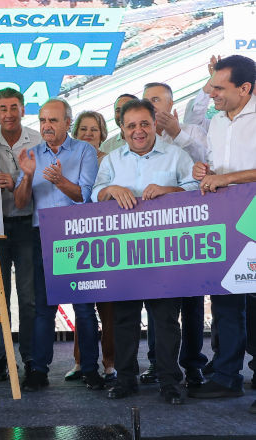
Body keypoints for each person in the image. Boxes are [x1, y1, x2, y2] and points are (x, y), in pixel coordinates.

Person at [92, 98, 198, 404]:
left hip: (166, 254)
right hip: (124, 255)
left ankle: (170, 382)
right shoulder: (112, 161)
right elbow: (94, 195)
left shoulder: (176, 156)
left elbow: (197, 191)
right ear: (122, 129)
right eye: (131, 126)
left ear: (154, 125)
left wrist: (169, 191)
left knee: (165, 321)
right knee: (123, 320)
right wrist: (111, 190)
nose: (138, 131)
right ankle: (126, 380)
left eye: (144, 124)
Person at [15, 98, 99, 392]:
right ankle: (38, 370)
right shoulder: (31, 155)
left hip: (77, 235)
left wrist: (60, 181)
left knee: (84, 308)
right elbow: (20, 203)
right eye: (42, 120)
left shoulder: (85, 151)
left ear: (67, 123)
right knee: (44, 308)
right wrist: (27, 176)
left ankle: (90, 369)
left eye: (53, 120)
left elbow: (86, 196)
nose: (46, 126)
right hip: (42, 236)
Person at [188, 56, 255, 410]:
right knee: (226, 300)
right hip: (227, 221)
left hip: (254, 220)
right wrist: (206, 172)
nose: (211, 92)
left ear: (244, 89)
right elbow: (217, 169)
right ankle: (227, 377)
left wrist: (227, 178)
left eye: (218, 87)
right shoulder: (216, 122)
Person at [141, 82, 209, 388]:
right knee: (156, 303)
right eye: (147, 101)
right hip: (154, 238)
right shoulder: (141, 141)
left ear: (172, 107)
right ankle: (158, 363)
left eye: (156, 100)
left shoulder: (192, 133)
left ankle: (193, 364)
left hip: (190, 233)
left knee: (192, 303)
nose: (151, 106)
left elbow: (205, 166)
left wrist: (177, 133)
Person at [0, 88, 41, 379]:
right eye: (3, 108)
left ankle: (30, 357)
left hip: (27, 224)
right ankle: (2, 356)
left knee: (29, 297)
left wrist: (17, 181)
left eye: (14, 107)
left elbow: (44, 183)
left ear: (23, 109)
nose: (9, 114)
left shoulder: (37, 139)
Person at [67, 110, 116, 383]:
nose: (88, 134)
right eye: (83, 129)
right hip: (75, 238)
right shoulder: (67, 161)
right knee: (81, 305)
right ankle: (80, 362)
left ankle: (110, 363)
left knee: (108, 306)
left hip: (105, 238)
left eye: (93, 129)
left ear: (102, 134)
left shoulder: (110, 160)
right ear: (75, 133)